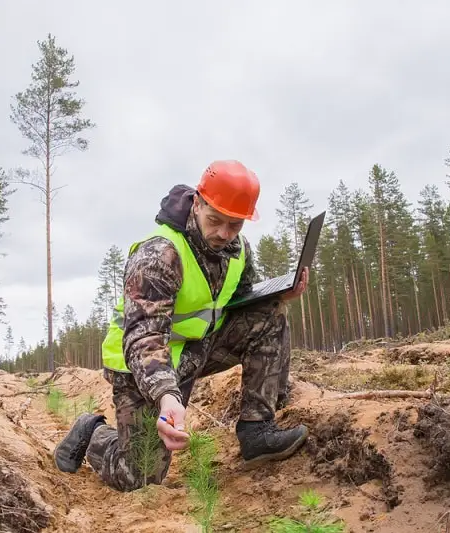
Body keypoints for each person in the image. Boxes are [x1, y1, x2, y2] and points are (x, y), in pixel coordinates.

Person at [53, 160, 310, 492]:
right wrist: (167, 396)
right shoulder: (159, 255)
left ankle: (256, 431)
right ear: (198, 203)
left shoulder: (238, 249)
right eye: (215, 220)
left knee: (270, 313)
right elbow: (143, 338)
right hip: (140, 366)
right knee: (140, 476)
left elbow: (240, 298)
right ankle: (94, 434)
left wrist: (282, 294)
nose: (223, 234)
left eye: (234, 225)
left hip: (194, 348)